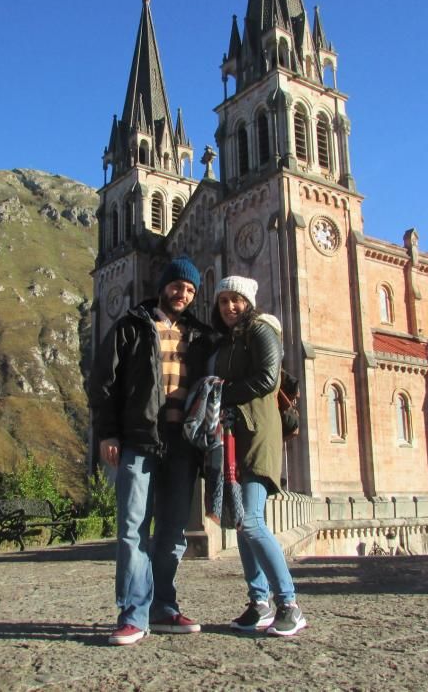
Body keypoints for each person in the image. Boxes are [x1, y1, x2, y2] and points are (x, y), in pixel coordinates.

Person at [89, 255, 213, 646]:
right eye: (178, 286)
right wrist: (108, 434)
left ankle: (164, 608)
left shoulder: (200, 334)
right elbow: (103, 382)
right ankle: (132, 615)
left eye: (191, 290)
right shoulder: (131, 326)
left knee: (173, 531)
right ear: (163, 285)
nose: (184, 294)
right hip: (139, 440)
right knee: (132, 529)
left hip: (182, 445)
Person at [211, 275, 307, 637]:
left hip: (258, 436)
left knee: (250, 520)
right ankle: (259, 603)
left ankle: (289, 604)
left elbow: (267, 378)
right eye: (223, 301)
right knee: (241, 521)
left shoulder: (261, 332)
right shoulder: (229, 339)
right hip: (234, 434)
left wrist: (224, 394)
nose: (230, 307)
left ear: (248, 302)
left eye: (236, 300)